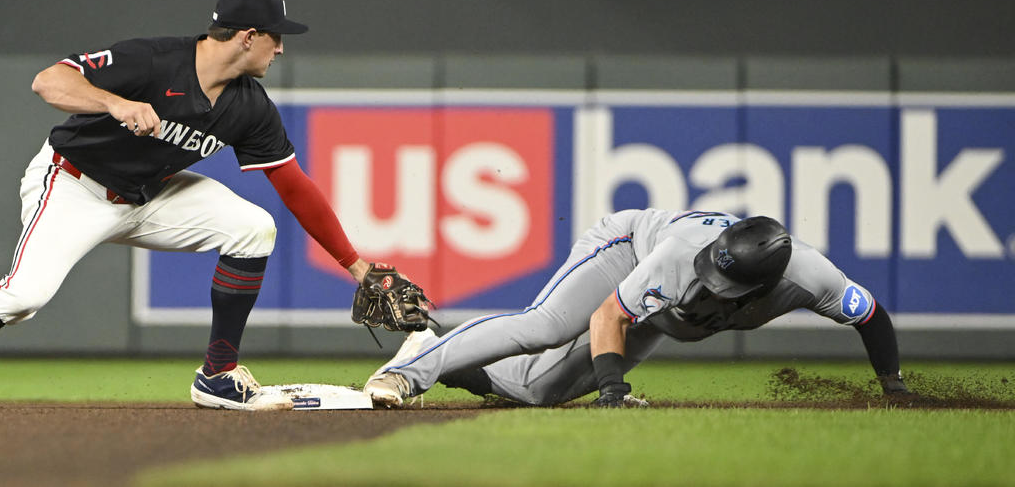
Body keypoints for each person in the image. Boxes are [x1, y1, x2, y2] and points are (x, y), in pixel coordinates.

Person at [0, 0, 390, 411]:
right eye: (276, 37)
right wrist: (114, 103)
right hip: (73, 183)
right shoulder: (155, 60)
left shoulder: (251, 107)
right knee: (24, 296)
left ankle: (218, 376)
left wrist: (355, 265)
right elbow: (48, 82)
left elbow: (294, 186)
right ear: (248, 36)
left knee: (254, 227)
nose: (281, 48)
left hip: (149, 196)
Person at [363, 209, 914, 408]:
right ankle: (409, 373)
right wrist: (612, 392)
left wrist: (893, 386)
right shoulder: (678, 255)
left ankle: (441, 352)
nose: (711, 279)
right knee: (545, 327)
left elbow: (872, 316)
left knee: (537, 392)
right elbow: (609, 317)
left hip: (668, 314)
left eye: (725, 280)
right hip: (627, 247)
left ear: (763, 284)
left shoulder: (812, 278)